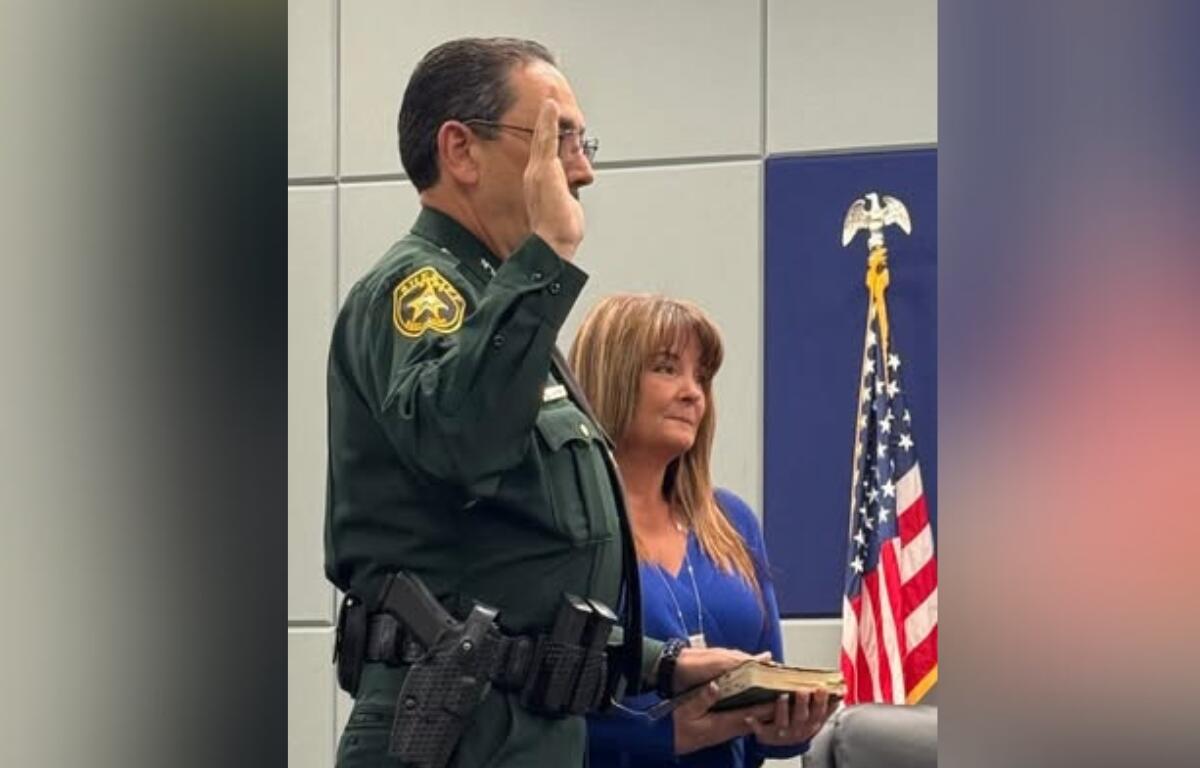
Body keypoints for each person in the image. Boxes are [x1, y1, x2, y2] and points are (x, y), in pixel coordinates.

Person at [323, 38, 756, 768]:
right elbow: (460, 441)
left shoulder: (502, 305)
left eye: (583, 143)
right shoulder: (418, 291)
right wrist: (548, 254)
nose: (582, 170)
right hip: (446, 731)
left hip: (527, 730)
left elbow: (518, 576)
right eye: (559, 141)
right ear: (461, 150)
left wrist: (662, 664)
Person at [571, 294, 837, 767]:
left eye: (703, 377)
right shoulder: (566, 524)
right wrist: (659, 735)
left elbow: (762, 720)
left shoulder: (733, 522)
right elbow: (520, 711)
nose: (693, 393)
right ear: (610, 376)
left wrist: (786, 729)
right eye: (667, 368)